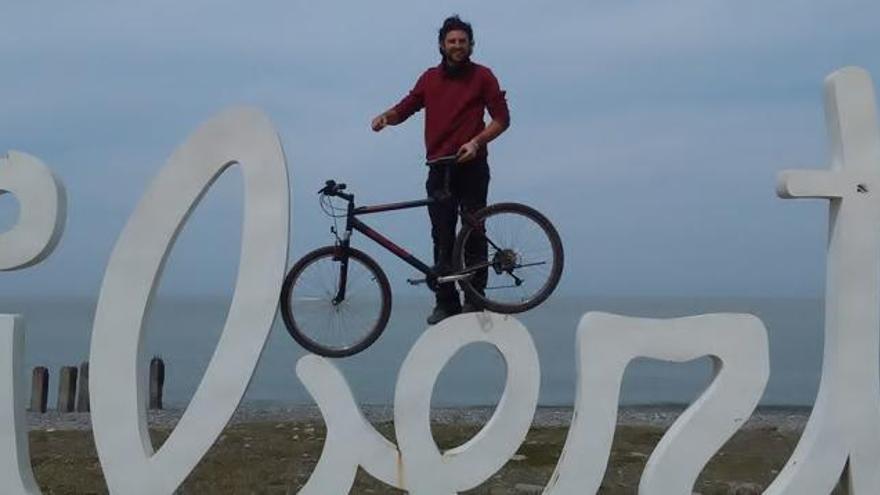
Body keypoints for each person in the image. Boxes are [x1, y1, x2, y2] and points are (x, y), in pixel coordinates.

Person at [371, 15, 510, 325]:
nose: (457, 46)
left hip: (471, 164)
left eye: (462, 41)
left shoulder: (483, 76)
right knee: (442, 235)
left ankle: (475, 300)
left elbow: (502, 120)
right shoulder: (430, 78)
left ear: (471, 45)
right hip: (438, 167)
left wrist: (476, 142)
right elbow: (406, 107)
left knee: (473, 230)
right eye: (452, 41)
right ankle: (445, 303)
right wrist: (386, 117)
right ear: (441, 45)